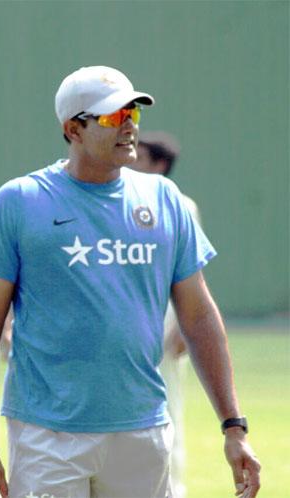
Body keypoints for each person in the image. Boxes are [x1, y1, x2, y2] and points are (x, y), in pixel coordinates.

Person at [0, 66, 261, 498]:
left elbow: (199, 317)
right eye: (110, 116)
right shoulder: (19, 201)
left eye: (132, 113)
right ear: (73, 129)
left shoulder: (165, 200)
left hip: (142, 431)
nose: (127, 125)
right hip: (48, 435)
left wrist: (234, 426)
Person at [133, 131, 199, 498]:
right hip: (131, 334)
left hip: (166, 333)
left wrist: (182, 333)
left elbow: (189, 275)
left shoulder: (181, 205)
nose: (132, 160)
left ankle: (174, 489)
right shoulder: (123, 199)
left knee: (169, 414)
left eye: (141, 156)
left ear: (159, 164)